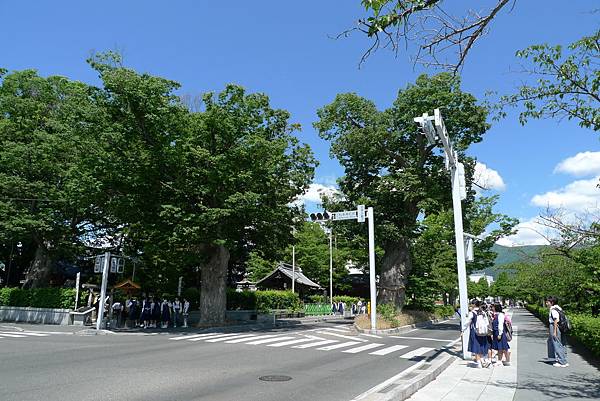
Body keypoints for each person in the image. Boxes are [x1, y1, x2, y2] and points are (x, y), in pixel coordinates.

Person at [465, 299, 489, 368]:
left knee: (476, 347)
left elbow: (467, 322)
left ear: (473, 304)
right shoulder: (483, 312)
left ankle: (479, 363)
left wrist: (463, 330)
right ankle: (483, 361)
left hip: (475, 332)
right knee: (482, 346)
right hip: (483, 332)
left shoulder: (472, 313)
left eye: (471, 304)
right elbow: (487, 323)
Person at [546, 296, 569, 367]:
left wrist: (555, 331)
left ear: (552, 302)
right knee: (561, 343)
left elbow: (556, 320)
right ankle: (562, 359)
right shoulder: (559, 308)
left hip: (555, 326)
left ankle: (562, 361)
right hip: (562, 327)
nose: (546, 303)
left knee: (557, 343)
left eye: (547, 302)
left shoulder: (553, 309)